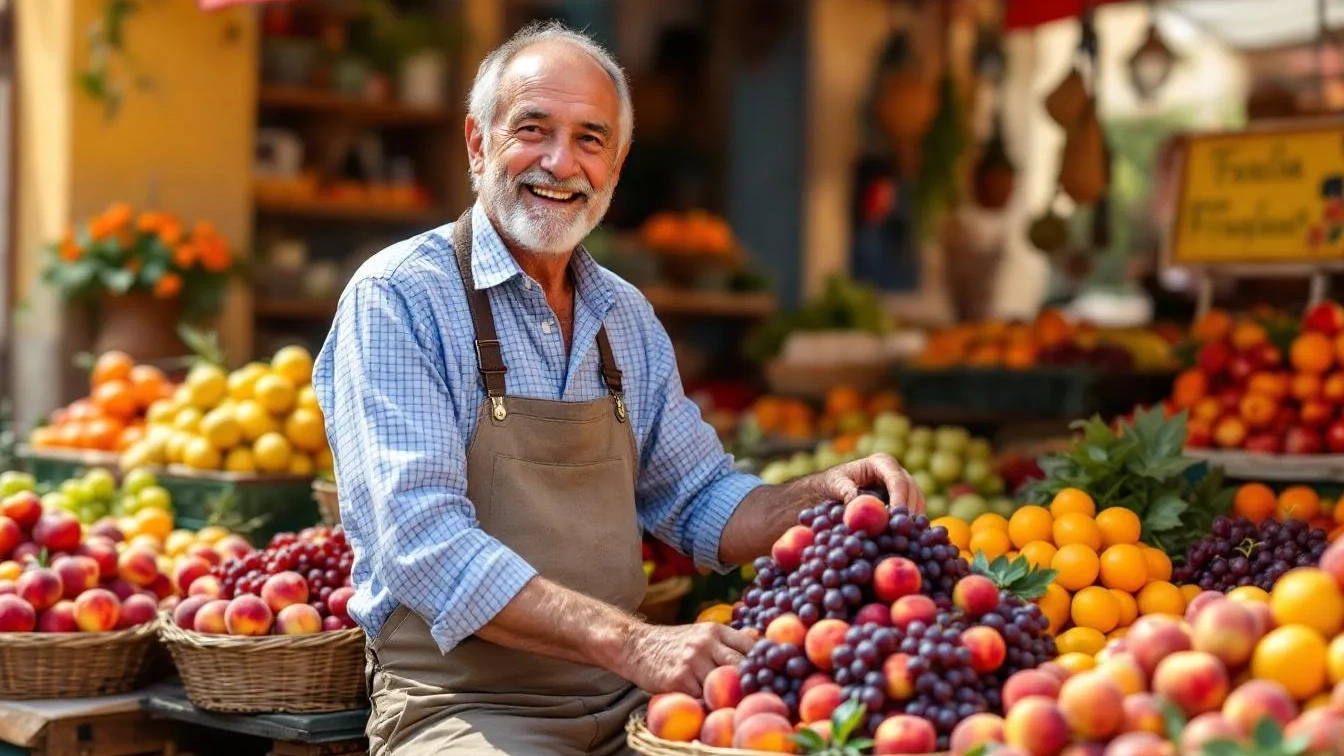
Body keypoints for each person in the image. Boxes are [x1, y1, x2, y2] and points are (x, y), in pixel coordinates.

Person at [313, 21, 923, 755]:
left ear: (617, 164)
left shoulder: (622, 315)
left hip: (630, 698)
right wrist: (638, 646)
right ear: (477, 144)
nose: (560, 162)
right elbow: (424, 546)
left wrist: (817, 497)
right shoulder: (399, 297)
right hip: (464, 706)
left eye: (591, 139)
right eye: (532, 130)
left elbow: (695, 496)